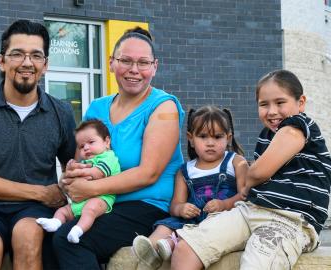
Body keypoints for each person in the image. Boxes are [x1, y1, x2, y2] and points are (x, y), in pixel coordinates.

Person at [170, 70, 331, 270]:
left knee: (257, 262)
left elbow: (258, 173)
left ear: (301, 102)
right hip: (252, 211)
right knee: (188, 248)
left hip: (290, 220)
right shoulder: (266, 135)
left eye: (280, 103)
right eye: (264, 104)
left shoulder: (299, 125)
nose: (271, 111)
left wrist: (249, 181)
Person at [53, 26, 185, 269]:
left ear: (154, 67)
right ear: (111, 63)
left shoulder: (163, 107)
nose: (134, 70)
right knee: (49, 235)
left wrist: (88, 189)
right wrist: (71, 179)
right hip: (105, 203)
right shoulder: (97, 108)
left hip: (149, 206)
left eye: (143, 63)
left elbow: (149, 173)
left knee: (70, 240)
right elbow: (83, 159)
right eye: (126, 61)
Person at [0, 19, 76, 270]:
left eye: (36, 55)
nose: (27, 63)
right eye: (17, 54)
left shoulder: (61, 112)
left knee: (28, 237)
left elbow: (72, 169)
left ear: (45, 64)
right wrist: (42, 192)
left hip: (35, 210)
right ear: (2, 61)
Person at [132, 106, 249, 269]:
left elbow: (245, 195)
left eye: (217, 137)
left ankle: (171, 244)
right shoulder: (185, 170)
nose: (210, 143)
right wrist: (181, 209)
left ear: (228, 138)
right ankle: (150, 249)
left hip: (221, 218)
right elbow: (175, 205)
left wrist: (224, 204)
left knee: (193, 233)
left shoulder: (235, 161)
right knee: (166, 225)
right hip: (192, 219)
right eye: (202, 136)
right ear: (191, 138)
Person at [37, 119, 121, 244]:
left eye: (91, 142)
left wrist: (77, 172)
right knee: (63, 211)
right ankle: (55, 222)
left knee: (90, 210)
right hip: (80, 201)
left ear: (106, 142)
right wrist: (71, 168)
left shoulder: (108, 157)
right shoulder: (86, 161)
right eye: (81, 146)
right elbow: (69, 178)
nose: (86, 148)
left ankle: (78, 230)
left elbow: (97, 173)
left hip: (100, 199)